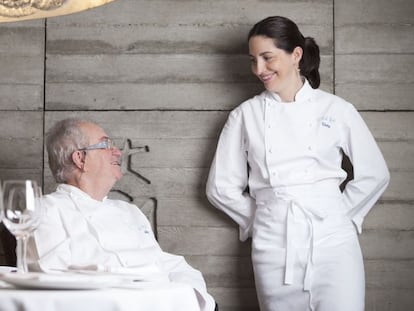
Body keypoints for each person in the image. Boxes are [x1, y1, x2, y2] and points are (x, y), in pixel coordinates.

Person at [206, 16, 390, 311]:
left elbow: (375, 174)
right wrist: (264, 217)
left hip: (334, 243)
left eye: (268, 58)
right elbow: (220, 187)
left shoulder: (336, 109)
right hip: (274, 247)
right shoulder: (245, 116)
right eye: (254, 60)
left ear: (296, 55)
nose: (259, 70)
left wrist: (339, 214)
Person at [27, 118, 216, 311]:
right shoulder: (45, 211)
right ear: (80, 159)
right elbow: (52, 282)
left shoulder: (129, 211)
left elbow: (165, 263)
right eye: (106, 144)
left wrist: (196, 297)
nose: (117, 151)